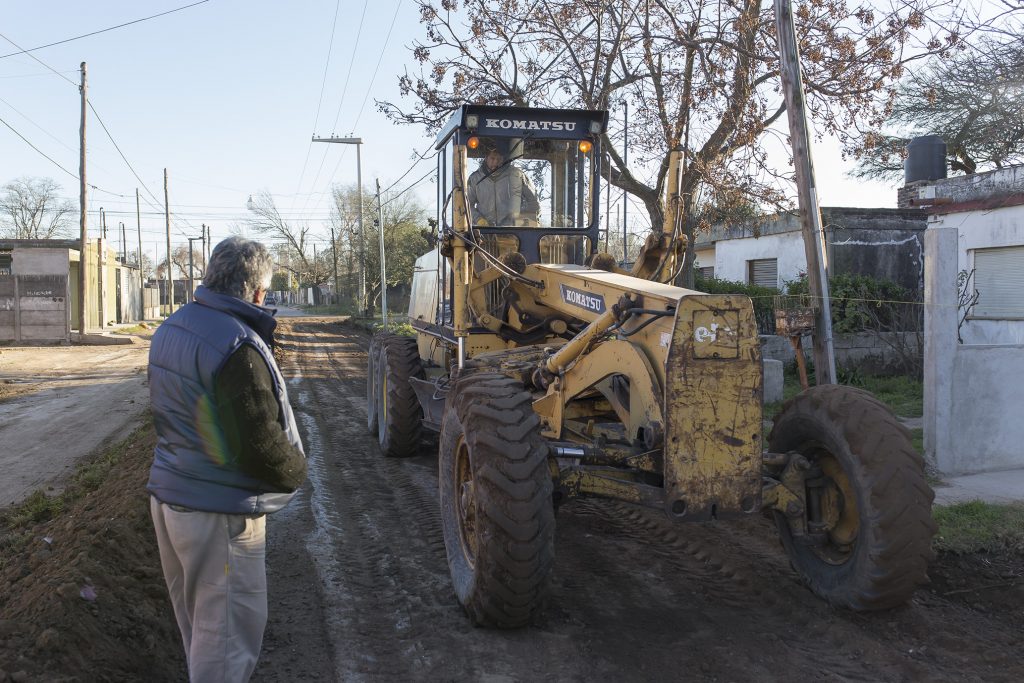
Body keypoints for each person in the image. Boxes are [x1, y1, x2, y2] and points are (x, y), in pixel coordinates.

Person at [147, 236, 306, 682]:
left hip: (170, 498)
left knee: (200, 628)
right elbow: (258, 446)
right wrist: (296, 470)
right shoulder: (237, 344)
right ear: (257, 291)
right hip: (218, 516)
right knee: (225, 647)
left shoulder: (173, 326)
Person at [467, 142, 541, 227]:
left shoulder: (517, 176)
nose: (495, 162)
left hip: (513, 233)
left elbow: (533, 202)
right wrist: (478, 219)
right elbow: (467, 205)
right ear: (486, 158)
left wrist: (523, 221)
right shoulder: (475, 179)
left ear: (503, 159)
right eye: (492, 158)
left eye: (499, 159)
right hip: (484, 233)